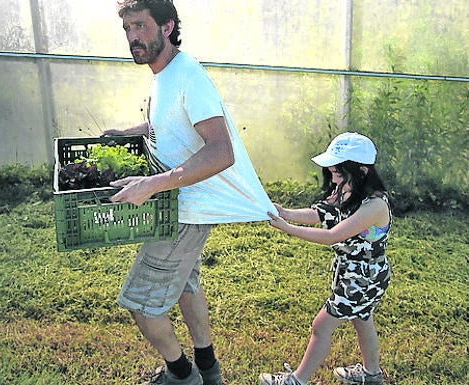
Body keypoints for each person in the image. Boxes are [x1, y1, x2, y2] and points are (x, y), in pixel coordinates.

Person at [104, 1, 276, 384]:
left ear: (166, 27)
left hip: (186, 210)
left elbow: (221, 150)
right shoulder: (164, 74)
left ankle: (182, 375)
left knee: (141, 304)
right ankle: (209, 368)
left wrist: (152, 184)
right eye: (127, 29)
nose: (133, 37)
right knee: (185, 285)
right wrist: (132, 132)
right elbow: (165, 124)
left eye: (140, 26)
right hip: (178, 204)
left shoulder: (188, 75)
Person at [260, 132, 392, 385]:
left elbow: (332, 235)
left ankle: (296, 381)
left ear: (362, 171)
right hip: (352, 273)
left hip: (364, 278)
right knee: (362, 321)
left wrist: (286, 227)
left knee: (321, 326)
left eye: (338, 172)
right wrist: (284, 212)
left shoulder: (374, 206)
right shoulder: (345, 189)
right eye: (331, 171)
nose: (333, 178)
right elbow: (319, 213)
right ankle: (372, 375)